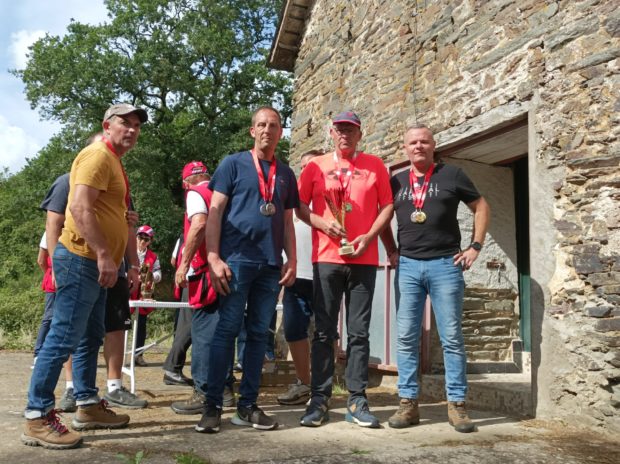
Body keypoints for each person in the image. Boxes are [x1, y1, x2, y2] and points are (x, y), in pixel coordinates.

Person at [22, 103, 147, 450]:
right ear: (107, 125)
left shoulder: (114, 162)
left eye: (137, 125)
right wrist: (105, 254)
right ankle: (37, 416)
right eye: (125, 123)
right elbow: (77, 208)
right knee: (63, 337)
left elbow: (112, 214)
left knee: (90, 335)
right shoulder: (97, 156)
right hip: (82, 259)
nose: (132, 130)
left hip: (95, 263)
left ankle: (88, 405)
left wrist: (121, 258)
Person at [381, 124, 490, 433]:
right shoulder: (396, 182)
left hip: (446, 264)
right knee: (405, 337)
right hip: (409, 267)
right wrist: (391, 250)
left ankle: (457, 406)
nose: (419, 146)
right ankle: (408, 404)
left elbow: (481, 206)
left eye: (424, 141)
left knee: (452, 338)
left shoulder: (452, 175)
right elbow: (383, 217)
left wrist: (475, 246)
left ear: (433, 145)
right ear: (405, 148)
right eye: (413, 142)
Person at [200, 106, 298, 433]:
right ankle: (213, 405)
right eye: (261, 125)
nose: (267, 130)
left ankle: (248, 406)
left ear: (280, 132)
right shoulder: (232, 164)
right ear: (252, 131)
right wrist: (213, 257)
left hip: (270, 265)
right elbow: (214, 211)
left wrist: (292, 259)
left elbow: (286, 220)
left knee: (259, 335)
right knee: (226, 331)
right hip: (236, 261)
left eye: (273, 125)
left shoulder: (285, 174)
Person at [297, 111, 393, 428]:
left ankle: (357, 399)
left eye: (351, 130)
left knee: (360, 333)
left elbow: (388, 206)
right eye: (340, 130)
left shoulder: (375, 165)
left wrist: (370, 236)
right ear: (331, 133)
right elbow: (298, 206)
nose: (345, 135)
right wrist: (323, 223)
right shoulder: (316, 166)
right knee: (324, 332)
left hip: (363, 259)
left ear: (359, 135)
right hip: (327, 258)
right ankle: (319, 399)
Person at [170, 161, 235, 415]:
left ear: (186, 183)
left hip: (206, 272)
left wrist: (183, 264)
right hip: (228, 269)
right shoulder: (223, 192)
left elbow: (198, 224)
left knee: (204, 334)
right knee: (224, 332)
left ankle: (204, 391)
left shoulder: (195, 194)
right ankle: (226, 389)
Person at [277, 150, 321, 405]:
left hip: (325, 274)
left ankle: (323, 386)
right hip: (296, 275)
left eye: (312, 165)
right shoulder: (291, 199)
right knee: (294, 330)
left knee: (326, 334)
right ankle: (304, 382)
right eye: (303, 166)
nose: (307, 170)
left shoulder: (329, 197)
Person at [131, 224, 162, 367]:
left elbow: (158, 274)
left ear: (150, 241)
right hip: (128, 291)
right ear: (136, 237)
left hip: (144, 294)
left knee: (141, 326)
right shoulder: (128, 251)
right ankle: (118, 354)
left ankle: (138, 356)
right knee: (121, 324)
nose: (142, 241)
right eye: (140, 238)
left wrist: (150, 276)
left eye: (146, 239)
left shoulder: (153, 257)